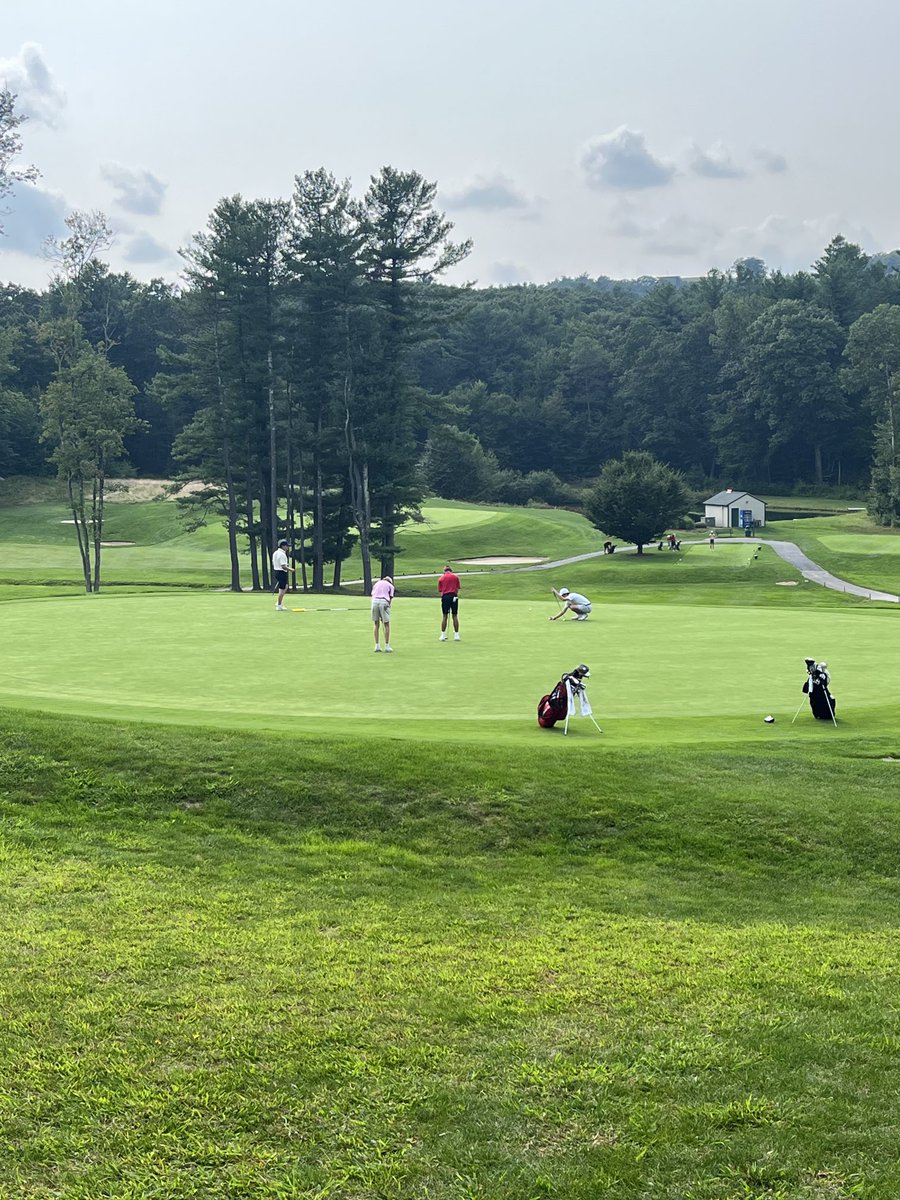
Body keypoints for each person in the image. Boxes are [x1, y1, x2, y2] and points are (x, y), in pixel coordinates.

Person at [371, 574, 394, 652]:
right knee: (386, 624)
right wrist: (388, 606)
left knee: (376, 624)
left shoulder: (376, 583)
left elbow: (373, 595)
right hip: (384, 602)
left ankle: (377, 646)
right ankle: (387, 646)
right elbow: (390, 598)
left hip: (374, 602)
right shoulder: (391, 586)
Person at [437, 564, 461, 641]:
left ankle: (443, 635)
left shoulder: (441, 578)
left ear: (444, 571)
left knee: (445, 616)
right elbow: (457, 588)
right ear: (451, 570)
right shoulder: (456, 577)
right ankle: (456, 635)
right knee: (455, 615)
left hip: (445, 597)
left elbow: (440, 591)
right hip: (454, 597)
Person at [272, 539, 294, 610]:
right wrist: (291, 569)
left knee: (284, 587)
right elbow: (283, 566)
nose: (288, 547)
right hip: (281, 572)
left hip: (276, 571)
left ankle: (279, 601)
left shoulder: (276, 552)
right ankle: (279, 605)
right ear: (283, 546)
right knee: (283, 588)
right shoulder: (282, 554)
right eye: (287, 546)